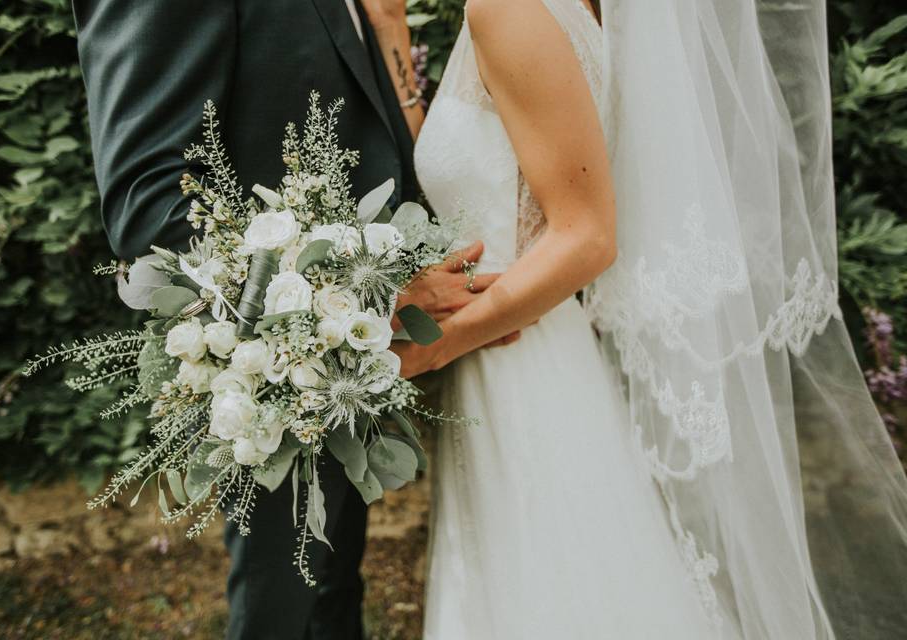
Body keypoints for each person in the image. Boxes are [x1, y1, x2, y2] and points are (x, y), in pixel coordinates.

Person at [381, 0, 907, 637]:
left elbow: (588, 237)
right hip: (523, 346)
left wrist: (439, 344)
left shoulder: (510, 9)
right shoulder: (578, 12)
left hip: (517, 358)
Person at [71, 2, 510, 638]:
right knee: (285, 614)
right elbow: (149, 208)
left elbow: (373, 141)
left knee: (331, 604)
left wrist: (387, 29)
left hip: (348, 375)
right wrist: (367, 300)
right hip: (270, 374)